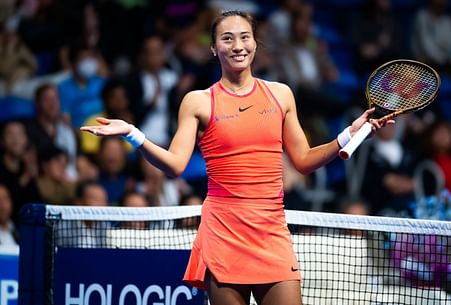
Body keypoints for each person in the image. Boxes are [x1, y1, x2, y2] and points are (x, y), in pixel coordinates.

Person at [81, 11, 387, 305]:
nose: (238, 45)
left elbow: (304, 160)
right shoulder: (198, 101)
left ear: (255, 42)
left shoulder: (281, 94)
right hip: (224, 232)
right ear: (214, 48)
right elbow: (175, 165)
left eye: (244, 37)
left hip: (271, 230)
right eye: (227, 39)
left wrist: (349, 134)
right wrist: (133, 134)